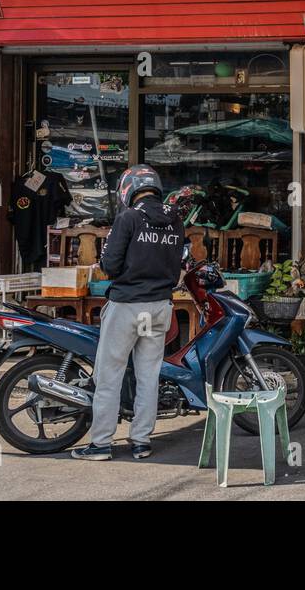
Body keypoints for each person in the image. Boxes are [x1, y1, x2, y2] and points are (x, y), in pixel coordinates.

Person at [72, 165, 185, 461]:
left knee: (110, 376)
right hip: (159, 307)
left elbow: (109, 264)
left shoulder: (129, 218)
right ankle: (141, 441)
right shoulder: (175, 221)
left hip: (126, 307)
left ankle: (100, 444)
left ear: (128, 189)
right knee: (149, 376)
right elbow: (177, 267)